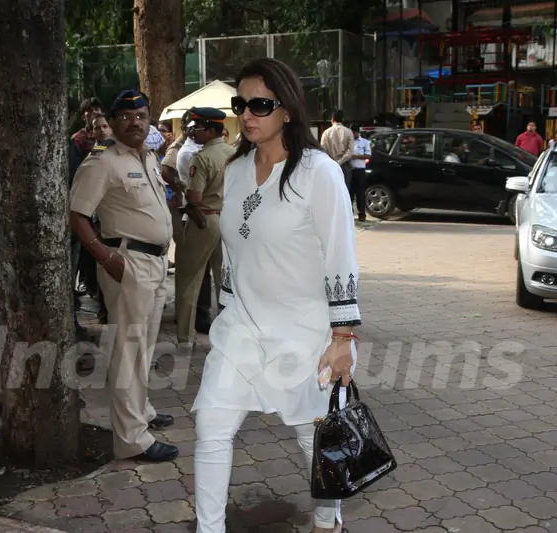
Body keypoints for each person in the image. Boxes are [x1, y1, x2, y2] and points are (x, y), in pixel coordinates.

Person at [192, 57, 360, 533]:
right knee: (211, 426)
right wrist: (227, 310)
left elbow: (340, 256)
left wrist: (343, 336)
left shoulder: (318, 172)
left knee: (313, 438)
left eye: (260, 104)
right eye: (240, 103)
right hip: (242, 327)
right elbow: (235, 248)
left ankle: (329, 521)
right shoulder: (237, 168)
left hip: (304, 331)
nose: (247, 114)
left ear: (287, 109)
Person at [69, 89, 178, 463]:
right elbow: (78, 215)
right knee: (128, 350)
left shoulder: (147, 157)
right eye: (127, 117)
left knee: (143, 346)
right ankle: (132, 439)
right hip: (127, 262)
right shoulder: (102, 161)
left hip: (157, 263)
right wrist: (103, 256)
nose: (136, 122)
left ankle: (141, 413)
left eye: (142, 116)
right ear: (113, 123)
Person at [174, 107, 234, 357]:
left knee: (189, 280)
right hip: (226, 220)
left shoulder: (201, 158)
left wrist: (183, 188)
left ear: (210, 130)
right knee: (225, 282)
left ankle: (186, 340)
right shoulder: (233, 154)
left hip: (203, 220)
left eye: (197, 128)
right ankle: (228, 335)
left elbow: (196, 196)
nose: (193, 133)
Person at [348, 124, 370, 222]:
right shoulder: (348, 142)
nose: (353, 134)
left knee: (360, 193)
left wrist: (356, 156)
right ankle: (349, 213)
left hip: (360, 170)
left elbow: (368, 155)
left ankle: (362, 213)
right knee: (350, 193)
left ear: (358, 132)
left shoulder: (364, 142)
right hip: (350, 170)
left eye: (355, 132)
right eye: (352, 132)